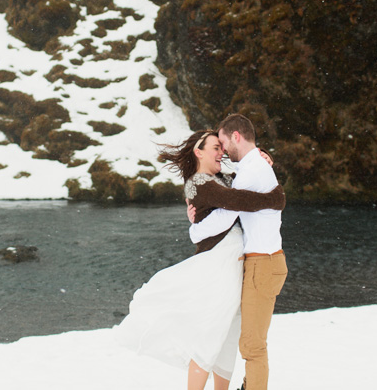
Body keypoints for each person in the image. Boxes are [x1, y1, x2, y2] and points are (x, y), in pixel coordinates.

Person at [114, 129, 285, 390]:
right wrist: (275, 199)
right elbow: (236, 201)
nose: (222, 153)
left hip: (233, 264)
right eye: (216, 148)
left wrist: (263, 158)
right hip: (218, 265)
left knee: (227, 336)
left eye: (222, 147)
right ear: (199, 151)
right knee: (210, 335)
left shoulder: (221, 179)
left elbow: (245, 184)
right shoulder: (198, 183)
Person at [188, 114, 287, 390]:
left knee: (252, 346)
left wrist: (194, 229)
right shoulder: (253, 165)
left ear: (236, 137)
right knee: (249, 341)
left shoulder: (252, 171)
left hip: (262, 264)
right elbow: (231, 182)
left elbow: (226, 215)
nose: (223, 151)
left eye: (223, 143)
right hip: (264, 262)